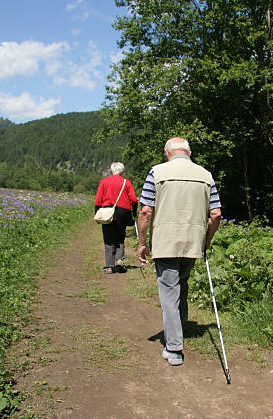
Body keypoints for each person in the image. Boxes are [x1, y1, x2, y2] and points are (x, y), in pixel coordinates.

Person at [137, 137, 222, 366]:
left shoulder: (156, 172)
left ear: (167, 154)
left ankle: (174, 347)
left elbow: (145, 211)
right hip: (192, 242)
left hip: (165, 241)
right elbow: (216, 214)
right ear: (189, 153)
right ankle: (180, 326)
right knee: (181, 283)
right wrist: (205, 241)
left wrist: (142, 243)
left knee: (169, 292)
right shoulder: (206, 175)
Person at [95, 162, 138, 274]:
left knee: (109, 238)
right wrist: (134, 211)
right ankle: (119, 260)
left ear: (111, 171)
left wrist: (97, 213)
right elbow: (133, 199)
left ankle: (109, 266)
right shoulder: (126, 182)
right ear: (122, 172)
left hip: (107, 212)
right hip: (122, 213)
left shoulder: (104, 181)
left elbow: (98, 199)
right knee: (120, 236)